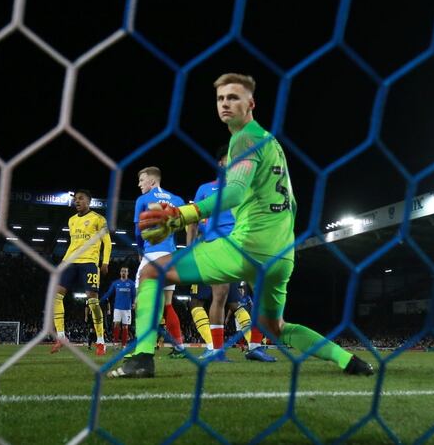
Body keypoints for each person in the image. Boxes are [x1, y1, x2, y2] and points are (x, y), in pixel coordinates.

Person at [110, 73, 373, 378]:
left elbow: (233, 192)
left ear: (251, 103)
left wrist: (182, 215)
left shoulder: (245, 138)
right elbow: (292, 203)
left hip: (247, 248)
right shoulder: (272, 144)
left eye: (233, 97)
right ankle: (349, 361)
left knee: (152, 272)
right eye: (220, 98)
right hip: (281, 256)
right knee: (275, 326)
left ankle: (142, 358)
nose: (225, 103)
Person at [186, 145, 275, 362]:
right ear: (220, 164)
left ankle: (255, 347)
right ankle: (217, 349)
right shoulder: (205, 189)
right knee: (220, 295)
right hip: (217, 245)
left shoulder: (246, 188)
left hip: (243, 245)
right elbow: (193, 220)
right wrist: (189, 249)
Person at [134, 167, 186, 357]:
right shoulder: (177, 200)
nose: (139, 184)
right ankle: (180, 347)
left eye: (142, 180)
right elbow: (186, 226)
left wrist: (141, 251)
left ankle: (142, 347)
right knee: (167, 305)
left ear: (152, 181)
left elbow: (138, 232)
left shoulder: (143, 200)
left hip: (152, 254)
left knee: (141, 303)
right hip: (170, 256)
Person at [51, 190, 112, 356]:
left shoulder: (99, 219)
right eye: (75, 199)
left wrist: (105, 262)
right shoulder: (71, 220)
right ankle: (61, 337)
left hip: (89, 262)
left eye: (80, 198)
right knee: (56, 297)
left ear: (88, 201)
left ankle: (101, 341)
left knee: (93, 301)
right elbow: (74, 244)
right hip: (71, 261)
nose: (76, 201)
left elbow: (107, 242)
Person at [101, 267, 136, 349]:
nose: (123, 272)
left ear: (127, 273)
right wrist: (101, 299)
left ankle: (124, 345)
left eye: (125, 271)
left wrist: (134, 303)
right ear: (120, 273)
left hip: (127, 309)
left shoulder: (131, 284)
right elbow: (109, 293)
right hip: (117, 308)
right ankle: (115, 343)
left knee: (125, 326)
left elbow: (134, 295)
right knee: (116, 324)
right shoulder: (115, 283)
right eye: (122, 271)